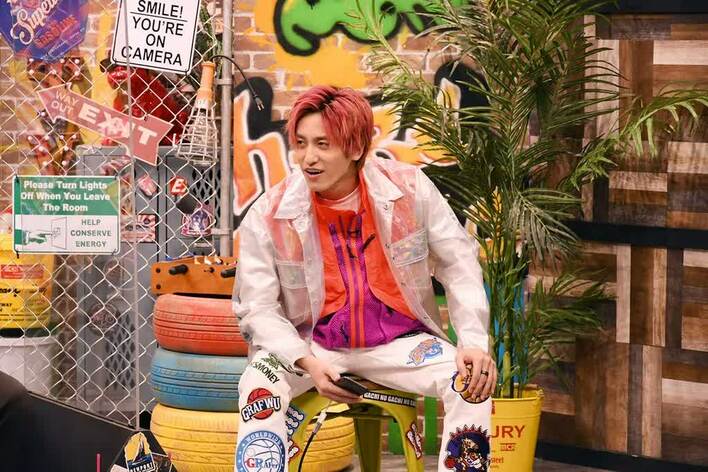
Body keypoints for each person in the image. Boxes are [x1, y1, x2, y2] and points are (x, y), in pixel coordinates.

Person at [233, 85, 496, 472]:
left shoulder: (409, 189)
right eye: (301, 144)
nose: (308, 157)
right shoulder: (271, 213)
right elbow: (257, 307)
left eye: (323, 144)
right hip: (312, 346)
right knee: (259, 384)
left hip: (398, 343)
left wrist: (473, 342)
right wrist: (306, 362)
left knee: (472, 380)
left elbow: (459, 262)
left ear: (355, 147)